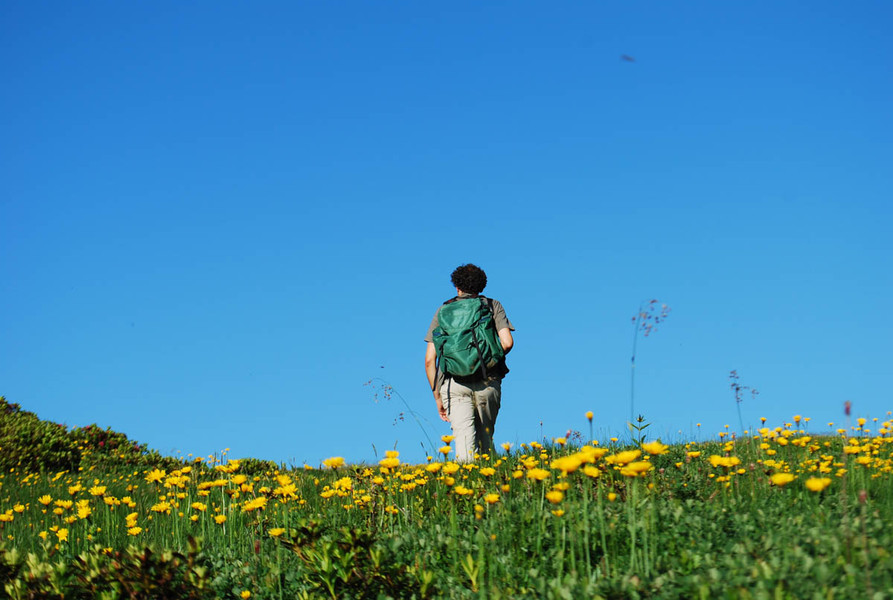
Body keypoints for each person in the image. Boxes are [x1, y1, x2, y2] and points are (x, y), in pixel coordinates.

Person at [424, 264, 514, 461]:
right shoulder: (492, 305)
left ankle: (466, 478)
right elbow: (507, 343)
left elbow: (430, 360)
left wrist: (437, 396)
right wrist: (486, 362)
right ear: (481, 286)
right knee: (485, 440)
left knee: (464, 445)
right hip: (487, 381)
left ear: (457, 286)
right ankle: (491, 477)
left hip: (453, 384)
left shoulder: (443, 311)